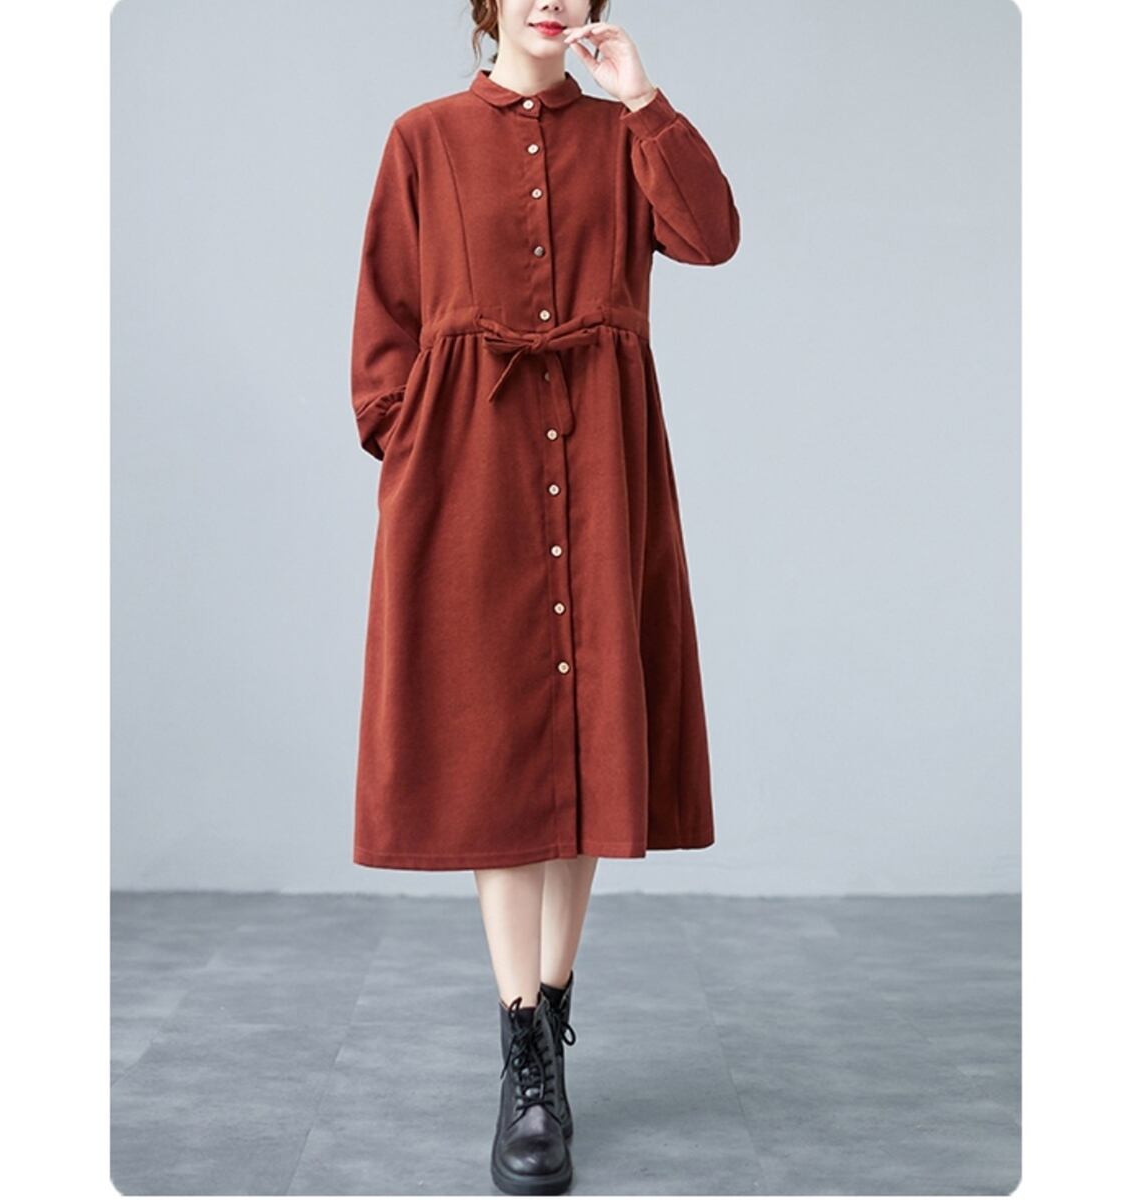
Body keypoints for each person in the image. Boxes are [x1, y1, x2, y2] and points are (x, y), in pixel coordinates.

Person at [348, 1, 740, 1192]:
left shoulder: (626, 134)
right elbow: (385, 318)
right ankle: (524, 1046)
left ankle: (548, 1024)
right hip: (472, 469)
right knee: (500, 755)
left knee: (589, 750)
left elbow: (712, 237)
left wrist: (644, 98)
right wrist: (411, 441)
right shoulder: (423, 136)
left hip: (604, 464)